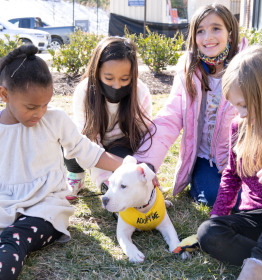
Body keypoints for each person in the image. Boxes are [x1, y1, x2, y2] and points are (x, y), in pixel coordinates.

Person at [0, 45, 123, 280]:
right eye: (31, 107)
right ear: (4, 95)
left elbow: (89, 153)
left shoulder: (55, 120)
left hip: (45, 208)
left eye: (45, 104)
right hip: (4, 204)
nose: (40, 112)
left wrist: (130, 165)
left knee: (14, 241)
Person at [134, 3, 248, 206]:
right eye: (200, 31)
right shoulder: (189, 70)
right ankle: (199, 182)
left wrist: (242, 161)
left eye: (216, 28)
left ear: (230, 32)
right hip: (207, 160)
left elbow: (261, 119)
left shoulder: (248, 67)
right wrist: (146, 163)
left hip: (242, 158)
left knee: (252, 196)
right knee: (213, 197)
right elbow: (169, 117)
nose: (208, 37)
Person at [196, 45, 262, 279]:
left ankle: (257, 265)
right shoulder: (240, 126)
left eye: (244, 105)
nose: (240, 113)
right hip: (254, 219)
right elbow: (232, 175)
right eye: (235, 105)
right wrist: (218, 217)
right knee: (208, 233)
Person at [65, 36, 153, 200]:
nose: (117, 86)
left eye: (124, 79)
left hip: (118, 146)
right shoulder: (84, 92)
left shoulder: (140, 93)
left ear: (133, 75)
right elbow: (86, 145)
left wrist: (142, 171)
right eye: (109, 78)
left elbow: (144, 136)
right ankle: (76, 177)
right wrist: (104, 179)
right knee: (70, 148)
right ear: (96, 72)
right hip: (87, 143)